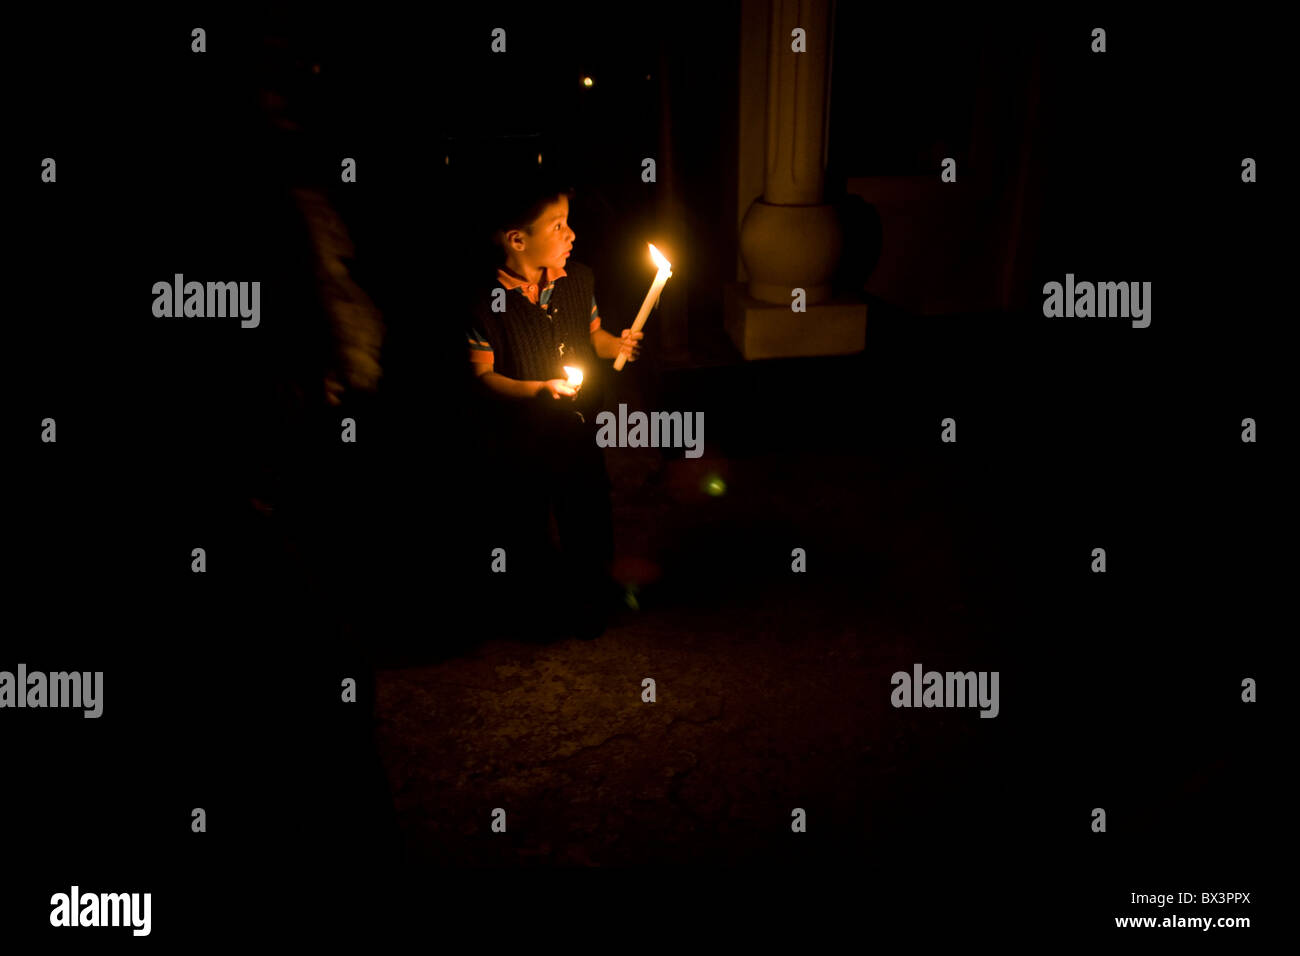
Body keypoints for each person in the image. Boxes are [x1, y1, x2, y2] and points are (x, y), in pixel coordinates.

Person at [464, 172, 643, 640]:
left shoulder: (577, 280)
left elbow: (594, 336)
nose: (573, 234)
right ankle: (535, 608)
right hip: (521, 438)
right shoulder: (486, 305)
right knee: (524, 520)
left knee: (587, 511)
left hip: (577, 430)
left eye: (570, 223)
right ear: (517, 239)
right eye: (558, 225)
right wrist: (538, 390)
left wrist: (616, 343)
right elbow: (482, 375)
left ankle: (593, 596)